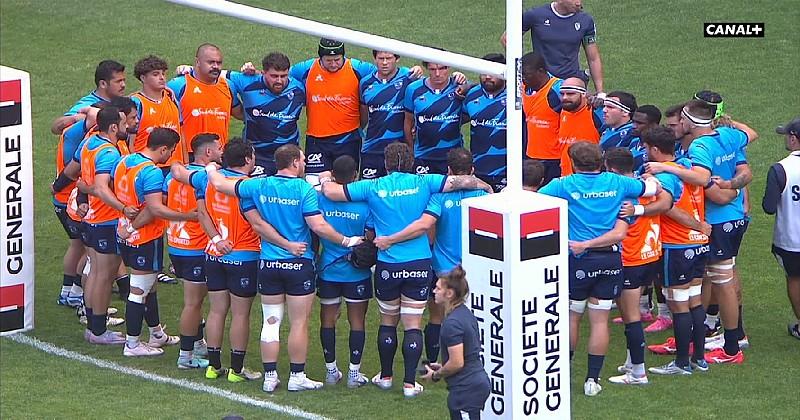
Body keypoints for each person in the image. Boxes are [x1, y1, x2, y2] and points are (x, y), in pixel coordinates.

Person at [320, 142, 492, 398]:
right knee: (412, 323)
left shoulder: (372, 186)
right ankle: (410, 383)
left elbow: (332, 192)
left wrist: (325, 178)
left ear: (385, 164)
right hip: (419, 263)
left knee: (388, 321)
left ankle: (386, 376)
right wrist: (485, 186)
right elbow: (461, 181)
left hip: (388, 264)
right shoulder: (426, 182)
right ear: (412, 163)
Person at [204, 143, 363, 393]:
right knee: (298, 323)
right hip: (298, 264)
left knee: (271, 321)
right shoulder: (303, 189)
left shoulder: (259, 185)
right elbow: (318, 226)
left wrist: (211, 169)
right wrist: (346, 241)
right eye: (303, 160)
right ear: (295, 163)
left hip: (269, 263)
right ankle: (297, 376)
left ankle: (270, 377)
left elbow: (222, 187)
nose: (305, 164)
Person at [539, 141, 661, 396]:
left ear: (573, 163)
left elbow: (534, 200)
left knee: (572, 316)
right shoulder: (619, 183)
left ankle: (563, 375)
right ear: (602, 161)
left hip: (578, 259)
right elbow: (653, 188)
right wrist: (650, 180)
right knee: (600, 320)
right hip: (610, 260)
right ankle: (592, 380)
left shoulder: (563, 185)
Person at [174, 138, 298, 381]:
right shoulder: (249, 187)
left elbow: (183, 180)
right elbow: (260, 222)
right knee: (240, 315)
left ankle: (213, 366)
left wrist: (216, 239)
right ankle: (237, 370)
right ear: (248, 159)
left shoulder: (207, 179)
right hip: (244, 256)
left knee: (216, 311)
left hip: (214, 253)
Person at [646, 99, 756, 364]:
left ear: (691, 122)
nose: (678, 124)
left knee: (722, 280)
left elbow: (704, 180)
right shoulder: (728, 134)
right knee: (708, 277)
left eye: (682, 120)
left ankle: (732, 348)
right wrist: (734, 187)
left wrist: (665, 167)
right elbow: (750, 144)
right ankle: (696, 338)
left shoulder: (699, 146)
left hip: (716, 220)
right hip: (733, 216)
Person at [372, 148, 488, 367]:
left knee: (436, 316)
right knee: (474, 314)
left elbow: (428, 229)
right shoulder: (484, 197)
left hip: (443, 266)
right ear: (472, 170)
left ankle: (434, 361)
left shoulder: (438, 197)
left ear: (449, 171)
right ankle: (475, 360)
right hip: (474, 266)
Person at [53, 106, 136, 344]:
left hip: (91, 218)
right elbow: (100, 187)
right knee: (104, 276)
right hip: (106, 219)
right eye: (124, 123)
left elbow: (75, 174)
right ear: (114, 127)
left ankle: (93, 325)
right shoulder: (109, 152)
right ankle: (98, 331)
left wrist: (81, 193)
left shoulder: (89, 143)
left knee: (96, 272)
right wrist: (122, 208)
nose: (127, 127)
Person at [114, 127, 193, 356]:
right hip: (144, 237)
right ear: (163, 149)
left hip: (125, 233)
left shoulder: (125, 161)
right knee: (138, 291)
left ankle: (156, 333)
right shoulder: (152, 172)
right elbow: (155, 209)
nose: (171, 156)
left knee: (149, 287)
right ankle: (132, 344)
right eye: (172, 151)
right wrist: (187, 216)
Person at [602, 145, 676, 385]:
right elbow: (665, 200)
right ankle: (630, 362)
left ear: (611, 169)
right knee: (630, 315)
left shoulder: (620, 193)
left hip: (631, 259)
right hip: (650, 255)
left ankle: (638, 373)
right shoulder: (648, 185)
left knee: (631, 317)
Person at [163, 134, 222, 368]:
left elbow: (167, 196)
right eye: (218, 148)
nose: (221, 152)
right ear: (208, 153)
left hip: (177, 244)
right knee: (193, 303)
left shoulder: (173, 175)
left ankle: (197, 343)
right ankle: (185, 355)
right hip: (195, 248)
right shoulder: (204, 178)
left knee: (194, 301)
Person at [316, 155, 374, 387]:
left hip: (328, 270)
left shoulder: (321, 199)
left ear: (333, 175)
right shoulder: (364, 203)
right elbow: (370, 237)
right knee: (357, 321)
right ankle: (353, 374)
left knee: (327, 320)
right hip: (356, 273)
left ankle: (331, 371)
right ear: (355, 176)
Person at [290, 39, 377, 175]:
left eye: (337, 59)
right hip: (316, 141)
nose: (333, 64)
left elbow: (384, 74)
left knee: (344, 183)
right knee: (315, 183)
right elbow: (280, 76)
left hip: (348, 140)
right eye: (328, 60)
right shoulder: (305, 69)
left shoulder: (358, 68)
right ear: (320, 57)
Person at [421, 266, 490, 420]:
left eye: (438, 288)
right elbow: (465, 355)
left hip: (466, 390)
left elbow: (457, 362)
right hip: (474, 384)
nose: (434, 291)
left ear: (449, 294)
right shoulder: (464, 314)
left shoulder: (452, 323)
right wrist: (443, 365)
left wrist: (436, 375)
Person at [228, 52, 305, 177]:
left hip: (288, 156)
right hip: (256, 155)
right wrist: (234, 105)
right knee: (257, 188)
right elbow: (218, 76)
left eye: (283, 76)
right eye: (274, 76)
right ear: (263, 73)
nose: (279, 81)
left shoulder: (299, 89)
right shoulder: (247, 81)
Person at [502, 0, 604, 93]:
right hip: (542, 84)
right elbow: (507, 39)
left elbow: (593, 58)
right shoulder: (535, 15)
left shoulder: (586, 20)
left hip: (569, 83)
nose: (578, 3)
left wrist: (600, 92)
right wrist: (524, 66)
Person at [359, 50, 429, 179]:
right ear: (375, 59)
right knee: (369, 188)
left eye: (389, 58)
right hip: (373, 148)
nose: (385, 63)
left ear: (397, 59)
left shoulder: (410, 77)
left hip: (401, 150)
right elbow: (363, 116)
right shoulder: (366, 83)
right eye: (381, 58)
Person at [763, 117, 800, 340]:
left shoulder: (780, 169)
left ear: (794, 139)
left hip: (791, 240)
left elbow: (768, 207)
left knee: (795, 279)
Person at [167, 44, 239, 152]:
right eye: (211, 62)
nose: (215, 66)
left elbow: (240, 113)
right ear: (198, 62)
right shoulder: (178, 85)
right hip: (187, 154)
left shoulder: (228, 86)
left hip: (218, 154)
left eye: (219, 63)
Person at [403, 54, 468, 175]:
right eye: (433, 69)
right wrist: (412, 150)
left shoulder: (460, 87)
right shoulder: (413, 89)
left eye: (442, 68)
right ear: (427, 68)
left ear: (449, 67)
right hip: (423, 156)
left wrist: (466, 84)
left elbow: (479, 94)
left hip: (453, 157)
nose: (437, 74)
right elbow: (408, 122)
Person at [462, 54, 508, 192]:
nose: (487, 77)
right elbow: (458, 120)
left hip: (508, 171)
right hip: (478, 169)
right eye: (484, 73)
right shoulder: (471, 95)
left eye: (492, 73)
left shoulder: (517, 96)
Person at [130, 55, 184, 165]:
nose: (162, 78)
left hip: (175, 166)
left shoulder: (172, 99)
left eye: (163, 74)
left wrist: (185, 163)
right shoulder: (136, 103)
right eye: (155, 74)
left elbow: (181, 134)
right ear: (143, 78)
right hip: (147, 167)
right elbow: (130, 142)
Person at [51, 60, 126, 135]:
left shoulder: (122, 102)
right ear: (103, 84)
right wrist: (77, 118)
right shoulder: (88, 104)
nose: (123, 85)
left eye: (123, 80)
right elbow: (55, 127)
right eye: (118, 81)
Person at [521, 52, 563, 184]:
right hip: (530, 156)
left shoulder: (558, 89)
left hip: (554, 159)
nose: (523, 78)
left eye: (527, 74)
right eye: (521, 75)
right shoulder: (522, 88)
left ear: (540, 71)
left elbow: (579, 96)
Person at [556, 77, 603, 176]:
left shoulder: (595, 112)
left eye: (570, 94)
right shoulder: (564, 111)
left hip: (589, 177)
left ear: (584, 94)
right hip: (566, 176)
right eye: (562, 94)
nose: (564, 98)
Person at [627, 105, 662, 174]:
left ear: (654, 125)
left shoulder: (658, 148)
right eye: (633, 122)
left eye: (639, 123)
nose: (634, 126)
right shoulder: (634, 142)